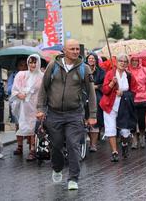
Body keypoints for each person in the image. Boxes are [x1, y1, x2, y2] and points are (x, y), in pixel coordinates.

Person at [37, 39, 97, 190]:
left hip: (75, 114)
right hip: (54, 114)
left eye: (77, 49)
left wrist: (92, 115)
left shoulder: (84, 69)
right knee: (56, 145)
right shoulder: (53, 66)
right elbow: (43, 89)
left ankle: (73, 179)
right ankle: (57, 168)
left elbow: (91, 93)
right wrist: (40, 109)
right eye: (72, 49)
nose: (76, 51)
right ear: (64, 50)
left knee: (73, 145)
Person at [100, 53, 137, 162]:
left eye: (125, 62)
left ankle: (125, 144)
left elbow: (134, 92)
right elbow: (105, 91)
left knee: (125, 131)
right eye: (121, 61)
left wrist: (124, 94)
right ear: (116, 62)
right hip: (109, 106)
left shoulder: (129, 76)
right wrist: (112, 83)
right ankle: (114, 152)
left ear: (127, 64)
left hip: (124, 107)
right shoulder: (110, 74)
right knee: (110, 128)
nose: (123, 63)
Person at [10, 54, 43, 161]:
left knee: (34, 127)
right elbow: (14, 89)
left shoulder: (42, 76)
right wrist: (19, 94)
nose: (33, 64)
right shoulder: (21, 74)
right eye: (31, 62)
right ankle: (20, 146)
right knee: (22, 125)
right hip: (23, 105)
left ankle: (32, 150)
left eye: (35, 62)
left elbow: (45, 91)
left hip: (36, 105)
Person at [129, 56, 146, 149]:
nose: (135, 62)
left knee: (141, 120)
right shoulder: (128, 70)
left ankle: (141, 136)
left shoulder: (144, 70)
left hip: (142, 99)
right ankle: (134, 139)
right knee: (132, 121)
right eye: (133, 61)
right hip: (131, 99)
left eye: (136, 61)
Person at [85, 53, 105, 152]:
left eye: (93, 58)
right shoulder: (83, 70)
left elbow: (104, 85)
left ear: (96, 60)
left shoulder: (101, 72)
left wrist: (95, 87)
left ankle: (93, 144)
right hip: (85, 95)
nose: (91, 60)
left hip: (96, 96)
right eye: (90, 58)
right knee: (85, 121)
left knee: (95, 121)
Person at [7, 57, 27, 124]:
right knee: (18, 124)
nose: (23, 67)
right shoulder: (13, 75)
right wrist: (18, 84)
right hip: (16, 104)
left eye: (25, 65)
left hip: (27, 103)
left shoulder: (31, 75)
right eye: (21, 65)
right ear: (17, 66)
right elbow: (9, 90)